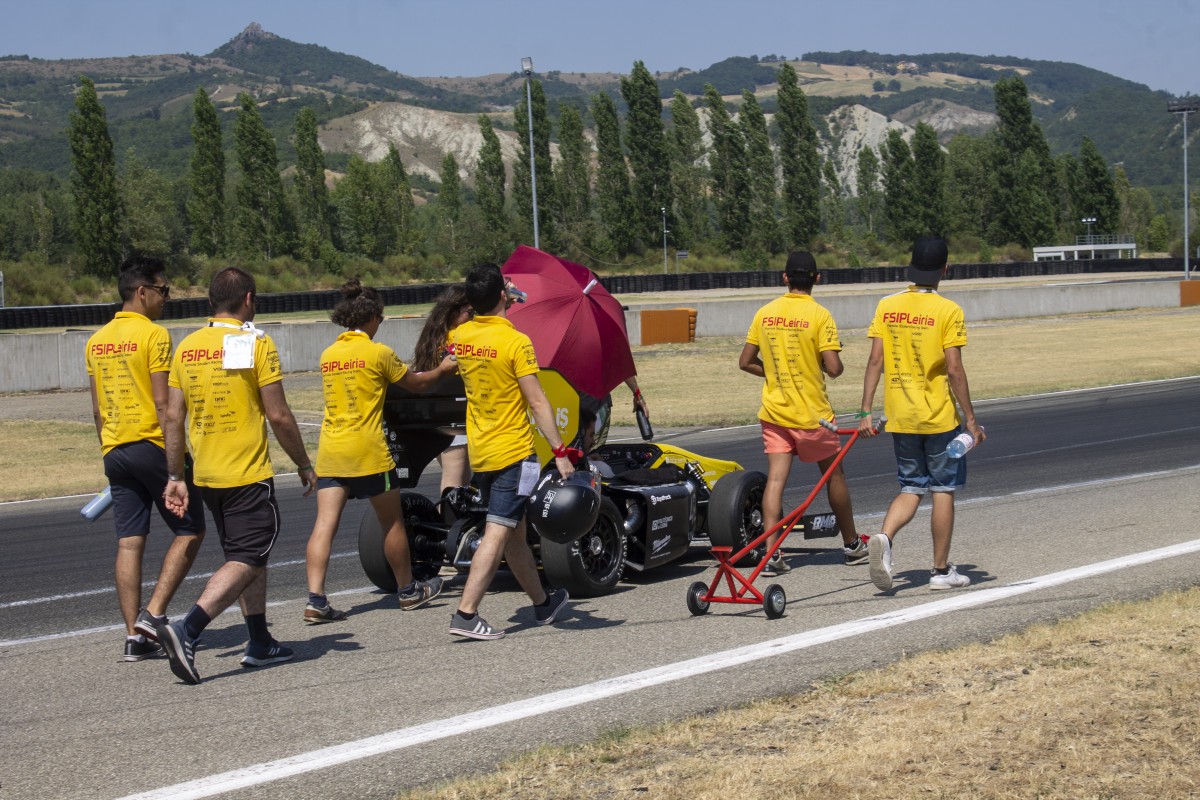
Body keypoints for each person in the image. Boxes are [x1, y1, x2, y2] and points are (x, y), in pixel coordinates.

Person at [159, 267, 319, 684]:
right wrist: (304, 463)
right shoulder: (256, 343)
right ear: (249, 299)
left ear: (212, 300)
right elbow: (279, 415)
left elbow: (172, 416)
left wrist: (175, 473)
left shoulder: (187, 346)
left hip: (207, 475)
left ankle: (259, 640)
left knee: (247, 557)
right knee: (249, 557)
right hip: (246, 473)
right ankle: (187, 628)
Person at [303, 279, 458, 624]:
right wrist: (444, 369)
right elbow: (417, 385)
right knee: (392, 523)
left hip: (331, 450)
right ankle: (408, 591)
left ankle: (315, 599)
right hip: (368, 451)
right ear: (372, 316)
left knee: (324, 525)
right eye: (382, 317)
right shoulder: (378, 352)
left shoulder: (329, 355)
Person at [85, 256, 207, 662]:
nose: (167, 297)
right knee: (190, 530)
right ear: (143, 292)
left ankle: (132, 638)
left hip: (114, 449)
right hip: (153, 446)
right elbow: (163, 404)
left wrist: (109, 447)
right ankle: (153, 617)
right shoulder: (154, 335)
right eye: (164, 289)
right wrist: (176, 465)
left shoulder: (95, 340)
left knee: (129, 541)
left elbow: (98, 409)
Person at [447, 263, 575, 640]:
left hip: (481, 451)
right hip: (513, 452)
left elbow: (476, 330)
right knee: (499, 531)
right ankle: (466, 614)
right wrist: (560, 451)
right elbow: (537, 402)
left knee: (515, 532)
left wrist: (502, 298)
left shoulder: (460, 336)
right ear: (503, 294)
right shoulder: (516, 342)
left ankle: (542, 604)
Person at [858, 236, 986, 591]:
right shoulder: (948, 310)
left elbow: (875, 361)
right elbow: (955, 370)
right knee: (943, 489)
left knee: (911, 486)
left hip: (899, 415)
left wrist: (866, 411)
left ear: (910, 267)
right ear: (945, 269)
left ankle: (884, 538)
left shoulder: (887, 305)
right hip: (938, 417)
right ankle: (941, 572)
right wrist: (971, 421)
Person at [739, 250, 864, 578]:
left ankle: (772, 552)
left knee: (776, 481)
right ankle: (851, 544)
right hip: (813, 416)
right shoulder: (820, 315)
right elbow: (834, 368)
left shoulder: (765, 313)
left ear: (784, 278)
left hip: (774, 413)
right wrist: (822, 362)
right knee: (834, 476)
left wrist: (772, 374)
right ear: (817, 279)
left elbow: (745, 361)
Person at [411, 284, 473, 493]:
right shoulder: (458, 337)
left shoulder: (433, 337)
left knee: (461, 483)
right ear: (454, 311)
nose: (473, 317)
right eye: (470, 312)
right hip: (454, 417)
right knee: (453, 484)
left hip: (437, 416)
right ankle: (447, 522)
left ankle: (453, 521)